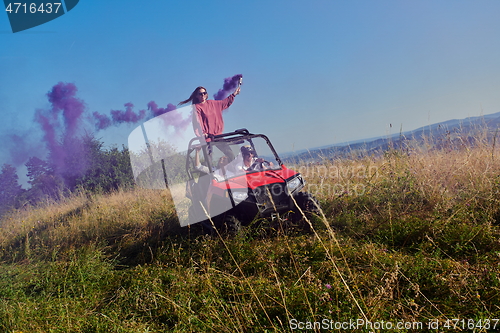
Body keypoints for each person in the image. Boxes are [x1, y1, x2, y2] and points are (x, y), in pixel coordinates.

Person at [179, 85, 240, 159]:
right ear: (197, 96)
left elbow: (224, 103)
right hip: (207, 137)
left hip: (218, 135)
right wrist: (202, 133)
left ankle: (231, 170)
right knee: (209, 160)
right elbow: (198, 121)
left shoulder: (213, 103)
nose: (203, 95)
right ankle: (209, 169)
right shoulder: (197, 107)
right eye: (200, 94)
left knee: (230, 155)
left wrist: (234, 94)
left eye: (204, 93)